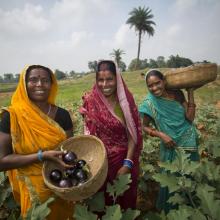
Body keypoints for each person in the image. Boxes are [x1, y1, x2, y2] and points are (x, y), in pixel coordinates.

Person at [0, 65, 74, 219]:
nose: (39, 84)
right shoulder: (12, 116)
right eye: (33, 80)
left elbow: (69, 153)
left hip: (61, 187)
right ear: (24, 84)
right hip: (33, 193)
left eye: (45, 80)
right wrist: (41, 156)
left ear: (51, 85)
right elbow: (2, 162)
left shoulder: (62, 115)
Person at [80, 60, 142, 209]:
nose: (104, 84)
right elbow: (88, 132)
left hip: (124, 160)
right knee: (102, 203)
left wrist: (127, 163)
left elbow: (132, 135)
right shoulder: (90, 100)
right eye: (100, 80)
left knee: (125, 201)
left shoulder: (125, 102)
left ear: (117, 79)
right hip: (100, 162)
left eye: (109, 79)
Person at [139, 69, 199, 213]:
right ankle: (172, 213)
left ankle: (189, 210)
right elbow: (143, 126)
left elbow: (189, 118)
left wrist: (190, 92)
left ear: (164, 81)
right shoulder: (149, 103)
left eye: (157, 83)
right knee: (172, 181)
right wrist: (161, 135)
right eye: (150, 86)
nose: (154, 88)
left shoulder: (177, 94)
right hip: (170, 145)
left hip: (188, 141)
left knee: (188, 178)